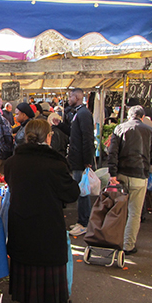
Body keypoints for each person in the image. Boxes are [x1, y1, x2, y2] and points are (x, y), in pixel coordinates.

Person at [4, 119, 80, 303]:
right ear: (48, 137)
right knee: (52, 276)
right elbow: (71, 194)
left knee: (26, 275)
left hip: (23, 228)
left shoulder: (12, 163)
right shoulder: (56, 165)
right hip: (49, 229)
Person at [107, 105, 152, 255]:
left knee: (118, 210)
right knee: (134, 213)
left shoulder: (120, 128)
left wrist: (113, 173)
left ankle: (114, 239)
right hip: (139, 176)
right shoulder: (150, 130)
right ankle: (128, 245)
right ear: (142, 117)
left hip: (121, 175)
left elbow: (113, 153)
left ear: (129, 116)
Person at [67, 88, 95, 237]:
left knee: (82, 192)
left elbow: (88, 138)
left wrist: (87, 161)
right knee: (81, 191)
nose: (69, 98)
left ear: (77, 96)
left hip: (81, 161)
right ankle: (82, 220)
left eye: (70, 96)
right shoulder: (78, 112)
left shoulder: (84, 114)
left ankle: (84, 223)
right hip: (78, 159)